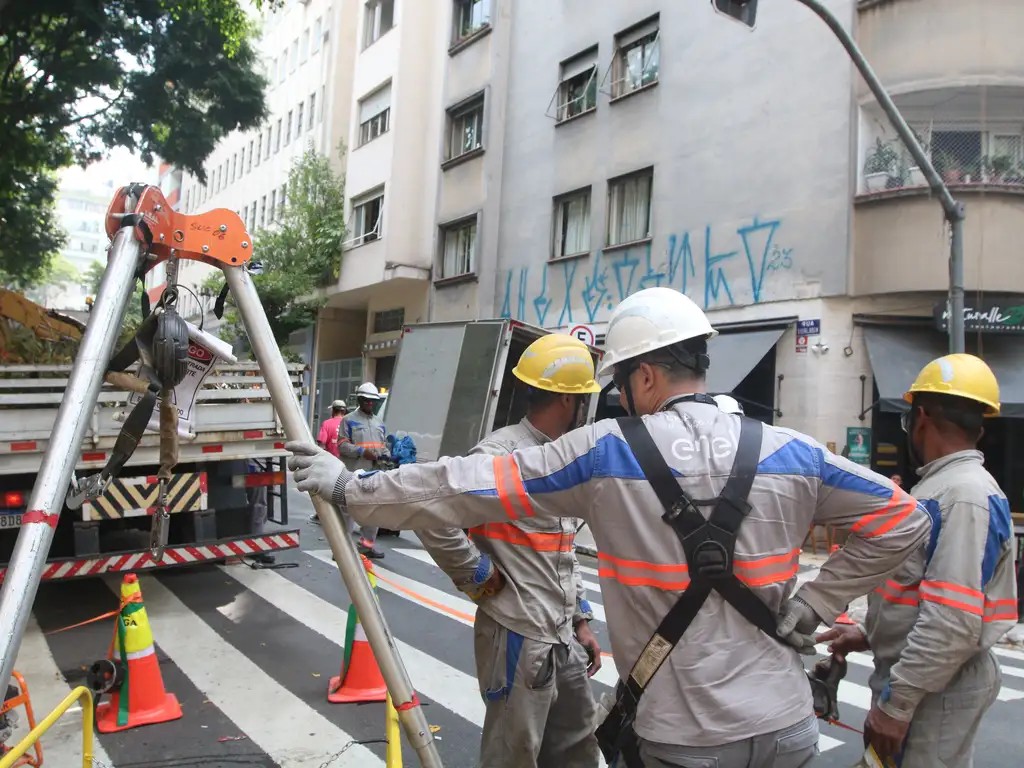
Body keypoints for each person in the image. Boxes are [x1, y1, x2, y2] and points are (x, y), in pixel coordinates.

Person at [287, 287, 931, 768]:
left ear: (645, 375)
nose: (618, 400)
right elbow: (906, 520)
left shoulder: (605, 453)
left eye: (621, 384)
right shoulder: (793, 452)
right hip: (789, 731)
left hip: (684, 739)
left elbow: (464, 486)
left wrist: (351, 488)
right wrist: (820, 599)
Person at [819, 353, 1017, 767]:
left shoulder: (964, 496)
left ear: (920, 416)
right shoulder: (942, 487)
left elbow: (952, 621)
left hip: (936, 689)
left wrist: (897, 706)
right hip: (926, 680)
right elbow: (919, 591)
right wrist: (870, 633)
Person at [416, 333, 603, 768]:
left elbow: (561, 549)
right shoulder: (501, 455)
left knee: (578, 749)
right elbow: (432, 515)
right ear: (566, 401)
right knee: (513, 754)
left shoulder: (561, 456)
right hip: (518, 632)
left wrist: (581, 619)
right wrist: (477, 573)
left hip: (560, 633)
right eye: (581, 400)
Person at [337, 381, 389, 559]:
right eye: (366, 400)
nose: (369, 403)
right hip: (353, 473)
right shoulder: (348, 420)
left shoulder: (379, 423)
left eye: (372, 401)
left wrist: (387, 455)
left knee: (372, 511)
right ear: (359, 400)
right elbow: (342, 446)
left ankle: (367, 546)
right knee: (347, 512)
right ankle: (342, 550)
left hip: (373, 474)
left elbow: (382, 446)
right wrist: (361, 452)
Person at [309, 400, 348, 525]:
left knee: (323, 488)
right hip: (347, 463)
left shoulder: (327, 424)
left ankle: (322, 514)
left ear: (333, 410)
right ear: (344, 411)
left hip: (332, 463)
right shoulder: (349, 423)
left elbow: (321, 445)